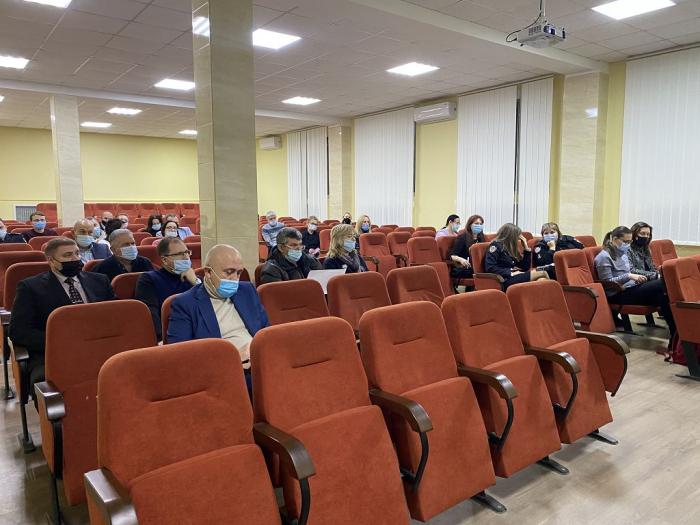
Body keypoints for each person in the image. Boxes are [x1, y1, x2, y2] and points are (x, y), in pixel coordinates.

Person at [8, 238, 115, 397]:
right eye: (67, 255)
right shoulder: (31, 287)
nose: (75, 258)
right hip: (55, 353)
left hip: (98, 348)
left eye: (77, 253)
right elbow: (19, 331)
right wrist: (61, 342)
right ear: (51, 260)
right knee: (45, 381)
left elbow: (116, 317)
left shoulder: (99, 280)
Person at [167, 244, 269, 391]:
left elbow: (266, 330)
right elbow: (179, 355)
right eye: (229, 272)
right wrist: (230, 358)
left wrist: (259, 350)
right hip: (224, 372)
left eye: (239, 273)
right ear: (208, 272)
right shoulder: (185, 304)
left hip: (260, 361)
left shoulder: (247, 290)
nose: (235, 279)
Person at [594, 226, 676, 344]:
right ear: (614, 239)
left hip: (632, 288)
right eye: (625, 241)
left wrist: (636, 279)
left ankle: (676, 337)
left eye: (630, 242)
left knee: (663, 298)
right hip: (618, 294)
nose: (628, 245)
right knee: (661, 283)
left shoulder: (623, 254)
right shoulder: (603, 257)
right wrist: (629, 276)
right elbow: (608, 283)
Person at [135, 236, 199, 340]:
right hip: (171, 334)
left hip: (199, 330)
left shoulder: (194, 278)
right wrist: (161, 339)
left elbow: (210, 305)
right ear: (165, 260)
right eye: (180, 254)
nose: (186, 257)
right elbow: (151, 315)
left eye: (187, 252)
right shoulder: (149, 279)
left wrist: (195, 282)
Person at [485, 223, 548, 289]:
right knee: (542, 272)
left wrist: (526, 248)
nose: (517, 239)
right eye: (516, 237)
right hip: (505, 279)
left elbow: (525, 267)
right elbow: (490, 267)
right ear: (510, 236)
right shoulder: (495, 246)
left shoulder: (510, 248)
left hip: (514, 276)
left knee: (542, 280)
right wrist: (510, 272)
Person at [449, 214, 485, 278]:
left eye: (480, 224)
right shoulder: (462, 238)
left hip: (478, 266)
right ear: (470, 225)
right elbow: (452, 256)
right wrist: (461, 260)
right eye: (476, 223)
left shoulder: (482, 238)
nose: (479, 226)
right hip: (466, 267)